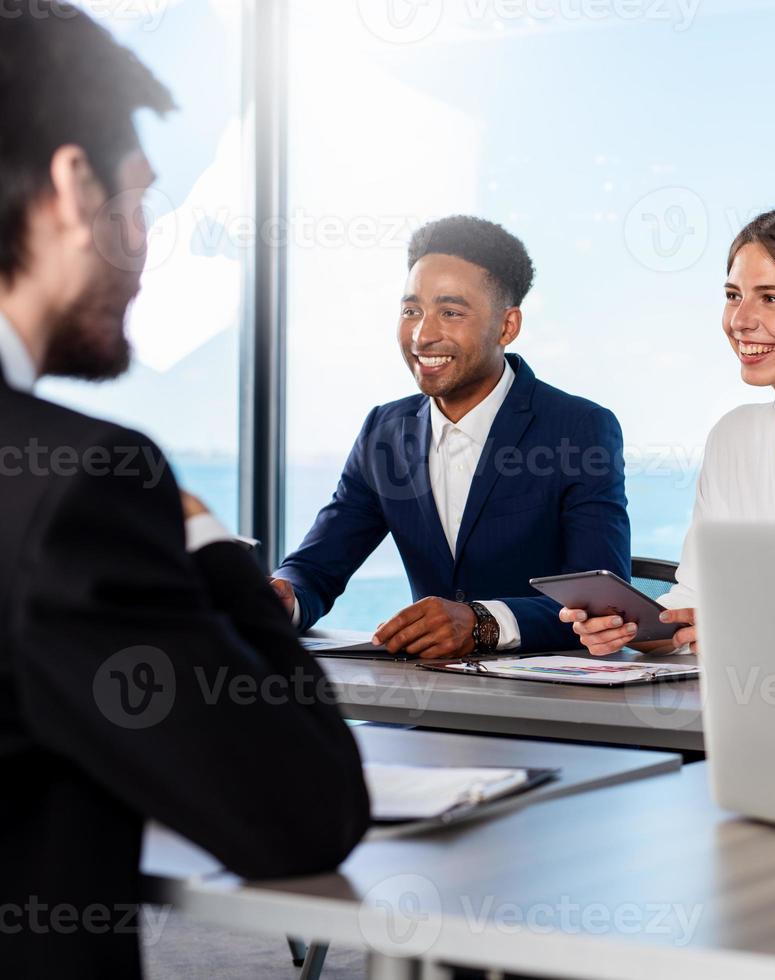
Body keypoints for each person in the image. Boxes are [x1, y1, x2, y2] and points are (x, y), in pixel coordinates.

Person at [0, 6, 369, 977]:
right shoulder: (74, 484)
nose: (144, 242)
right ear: (73, 188)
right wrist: (210, 547)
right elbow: (302, 808)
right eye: (138, 201)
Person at [271, 216, 631, 657]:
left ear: (507, 326)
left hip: (551, 704)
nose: (423, 335)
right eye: (411, 311)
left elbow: (604, 604)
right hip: (430, 699)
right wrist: (285, 595)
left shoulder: (579, 428)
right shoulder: (383, 433)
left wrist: (482, 622)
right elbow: (316, 568)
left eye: (451, 312)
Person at [559, 203, 775, 655]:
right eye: (734, 295)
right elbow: (696, 602)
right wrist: (635, 629)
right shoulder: (734, 438)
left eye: (771, 298)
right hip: (757, 707)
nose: (740, 321)